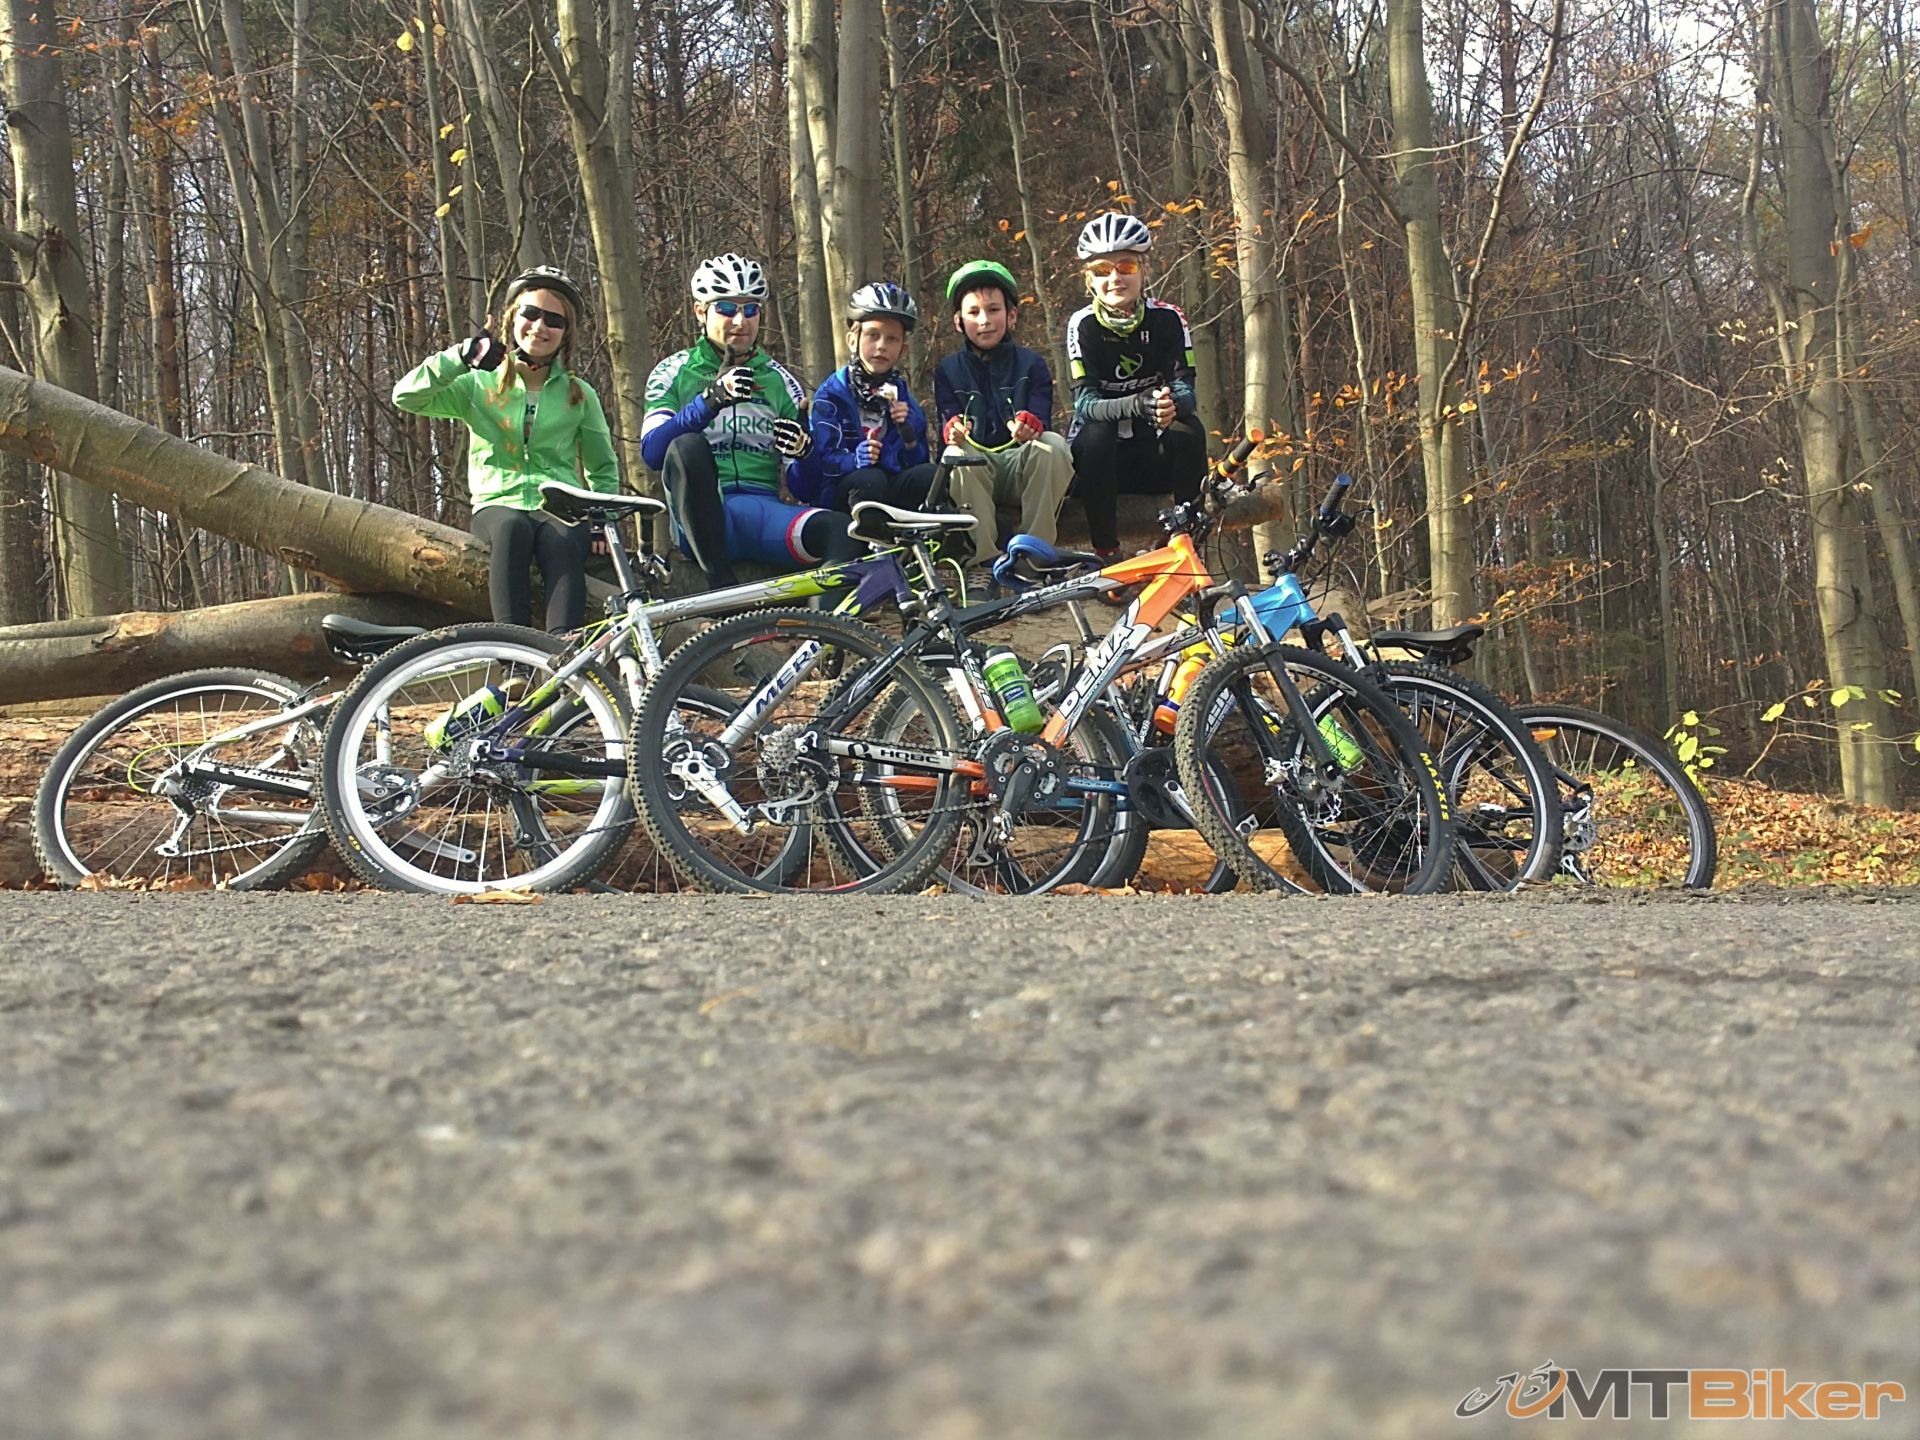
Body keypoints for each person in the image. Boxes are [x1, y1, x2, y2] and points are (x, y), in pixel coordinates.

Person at [393, 265, 617, 631]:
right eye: (531, 313)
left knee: (563, 539)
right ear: (512, 317)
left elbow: (602, 465)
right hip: (498, 503)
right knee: (512, 529)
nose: (540, 327)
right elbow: (406, 396)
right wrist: (460, 357)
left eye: (554, 321)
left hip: (558, 504)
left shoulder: (580, 394)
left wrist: (601, 521)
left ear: (566, 333)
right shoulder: (477, 384)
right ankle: (513, 652)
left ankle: (563, 654)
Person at [641, 252, 857, 589]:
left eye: (751, 309)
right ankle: (720, 587)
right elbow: (653, 453)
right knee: (687, 447)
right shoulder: (672, 372)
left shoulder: (779, 380)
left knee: (843, 532)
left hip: (764, 513)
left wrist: (805, 454)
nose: (740, 321)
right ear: (700, 311)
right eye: (727, 308)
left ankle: (823, 623)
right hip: (703, 519)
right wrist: (709, 402)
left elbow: (805, 489)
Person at [1064, 213, 1207, 562]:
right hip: (1098, 465)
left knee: (1188, 429)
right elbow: (1085, 404)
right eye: (1102, 270)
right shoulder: (1082, 324)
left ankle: (1187, 547)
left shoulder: (1169, 318)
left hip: (1150, 456)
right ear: (1088, 279)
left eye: (1126, 267)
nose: (1114, 278)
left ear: (1145, 271)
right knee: (1096, 433)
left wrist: (1172, 405)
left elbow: (1186, 389)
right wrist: (1138, 403)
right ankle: (1107, 554)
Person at [931, 260, 1074, 569]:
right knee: (955, 453)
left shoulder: (1031, 363)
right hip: (976, 472)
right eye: (973, 312)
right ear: (958, 322)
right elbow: (947, 419)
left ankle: (1034, 554)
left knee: (1053, 445)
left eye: (993, 310)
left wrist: (1029, 425)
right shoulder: (947, 370)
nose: (984, 321)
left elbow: (1041, 419)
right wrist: (953, 429)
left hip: (1019, 466)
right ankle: (985, 560)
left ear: (1011, 316)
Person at [800, 283, 938, 516]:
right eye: (873, 335)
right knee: (870, 479)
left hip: (888, 487)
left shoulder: (901, 394)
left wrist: (908, 435)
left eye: (892, 339)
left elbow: (917, 461)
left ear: (902, 350)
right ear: (852, 340)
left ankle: (919, 533)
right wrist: (854, 460)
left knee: (931, 476)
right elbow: (822, 461)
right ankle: (870, 536)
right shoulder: (832, 394)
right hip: (844, 492)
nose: (881, 346)